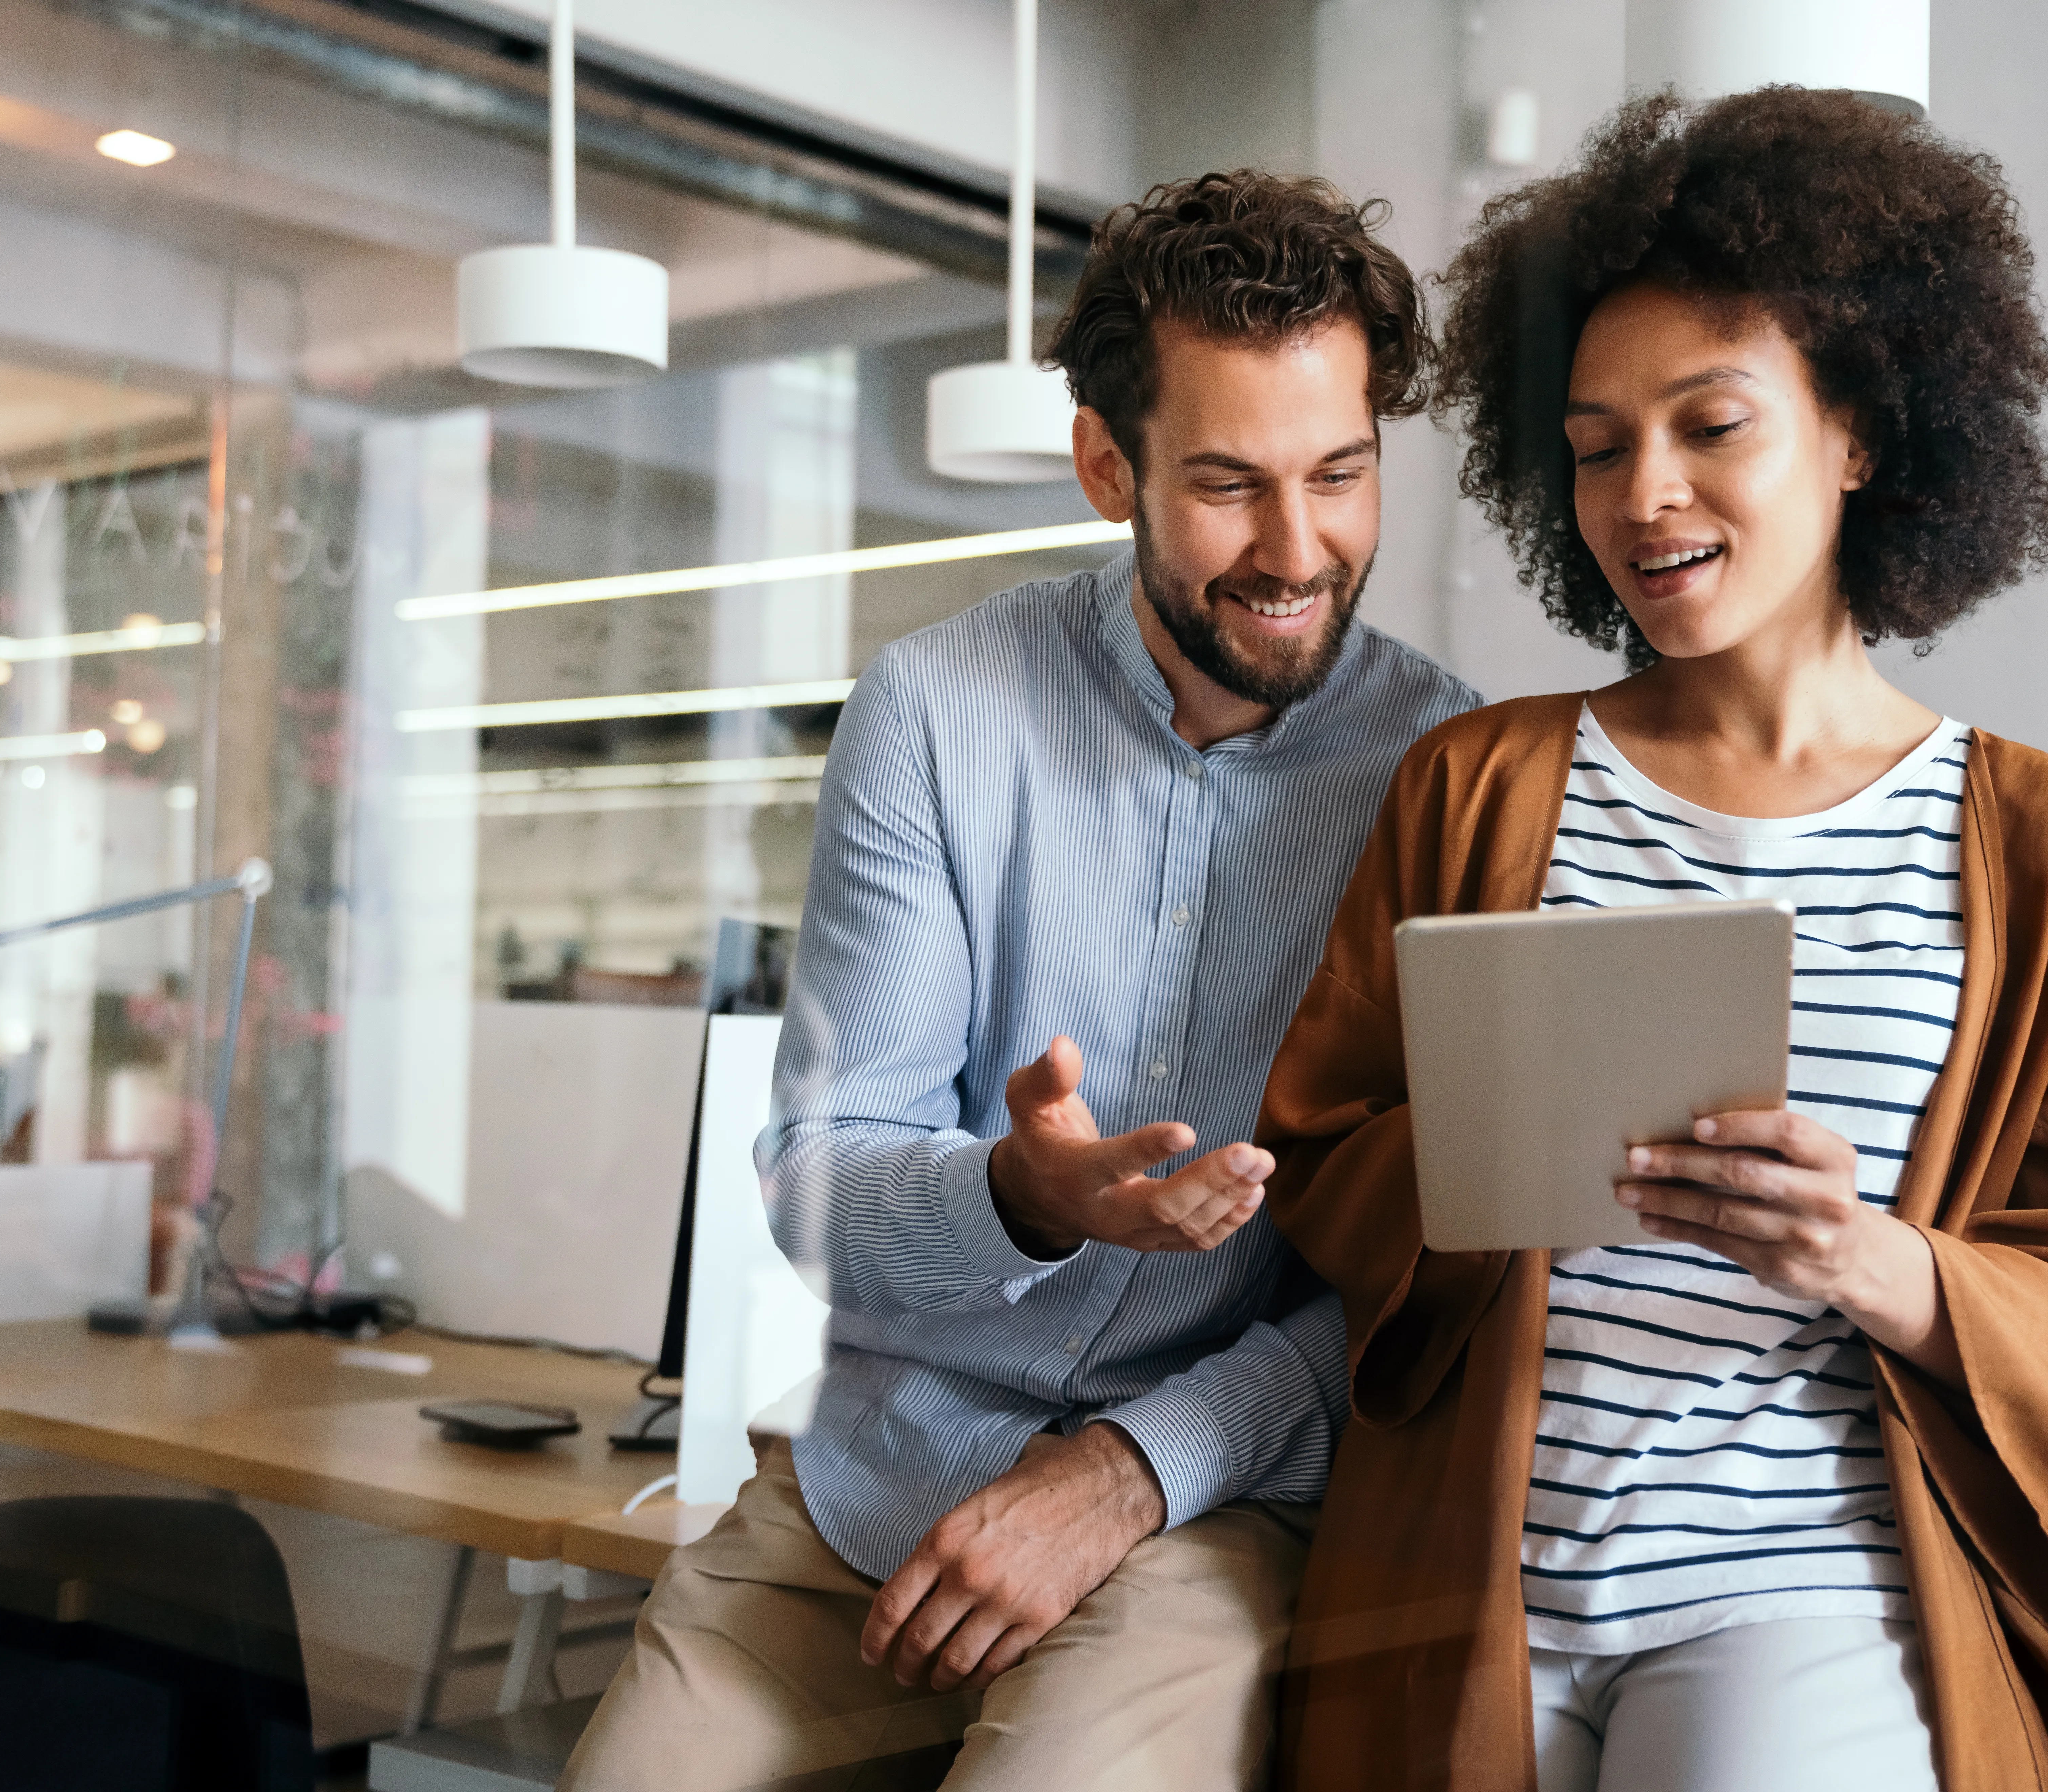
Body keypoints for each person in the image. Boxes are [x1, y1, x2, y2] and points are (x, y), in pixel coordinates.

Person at [1255, 91, 2048, 1792]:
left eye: (1710, 424)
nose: (1644, 495)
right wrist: (1495, 1144)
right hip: (1462, 1577)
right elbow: (1321, 1152)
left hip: (1804, 1593)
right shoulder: (1476, 784)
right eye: (1593, 446)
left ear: (1858, 433)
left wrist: (1872, 1261)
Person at [559, 170, 1482, 1792]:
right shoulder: (934, 711)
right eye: (1226, 485)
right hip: (875, 1488)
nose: (1297, 549)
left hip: (1206, 1502)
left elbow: (1430, 1281)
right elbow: (817, 1187)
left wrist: (1128, 1468)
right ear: (1105, 466)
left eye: (1339, 474)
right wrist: (1020, 1197)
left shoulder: (1446, 770)